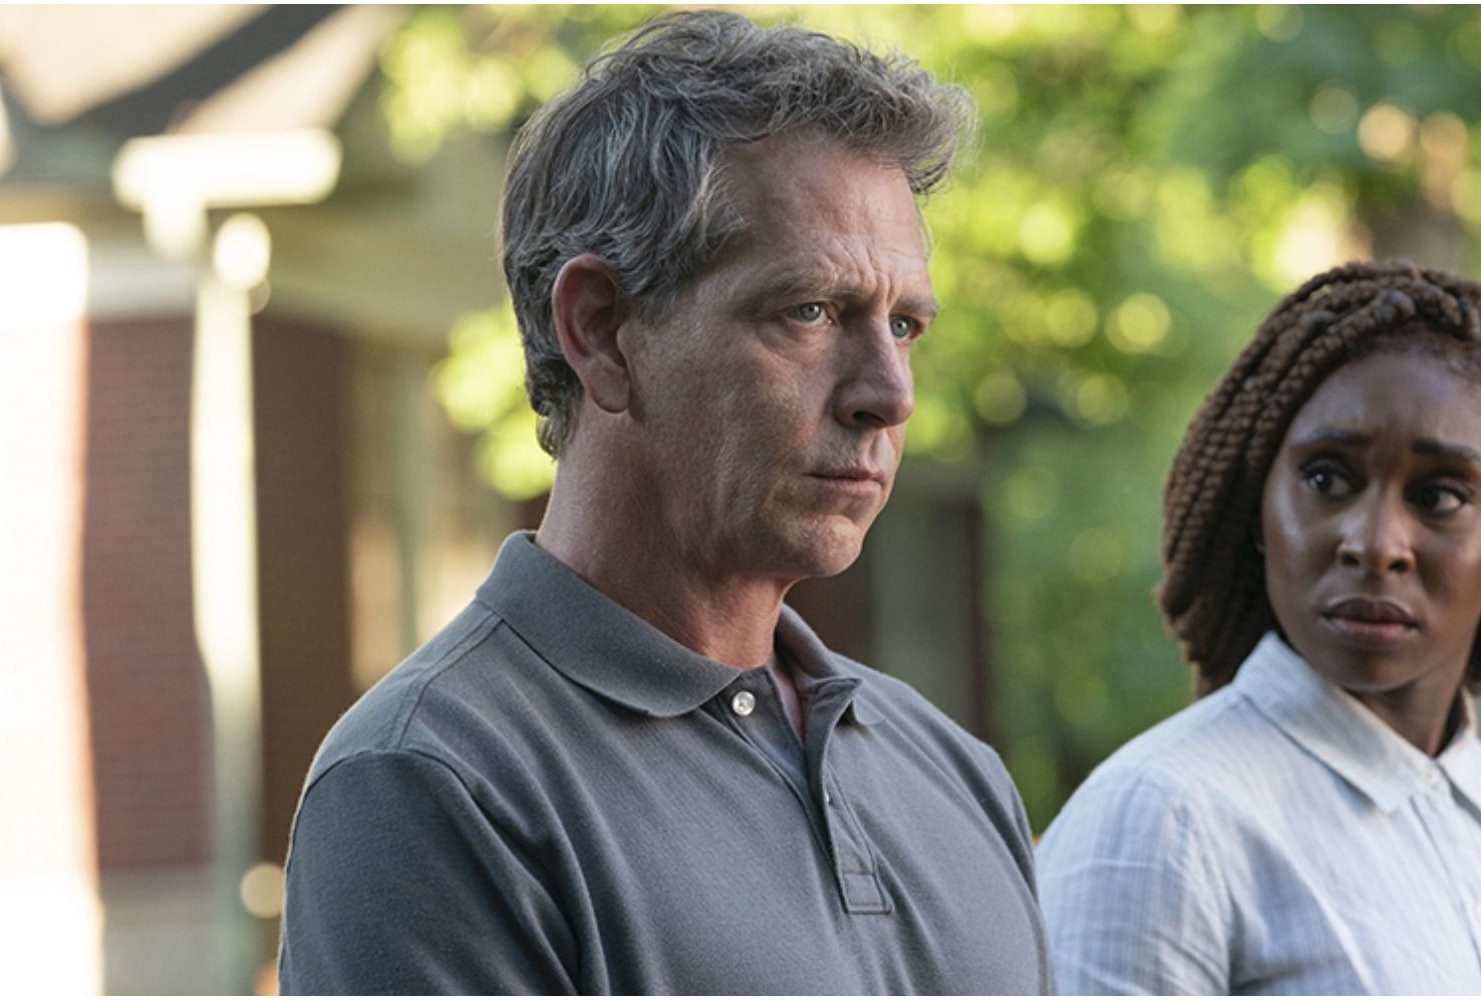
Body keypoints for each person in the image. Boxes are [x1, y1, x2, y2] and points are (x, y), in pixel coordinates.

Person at [279, 11, 1051, 994]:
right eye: (808, 311)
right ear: (599, 330)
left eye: (904, 325)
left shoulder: (950, 771)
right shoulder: (431, 783)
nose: (888, 393)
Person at [1035, 261, 1481, 994]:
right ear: (1257, 504)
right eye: (1327, 479)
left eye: (1440, 495)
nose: (1376, 543)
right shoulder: (1164, 817)